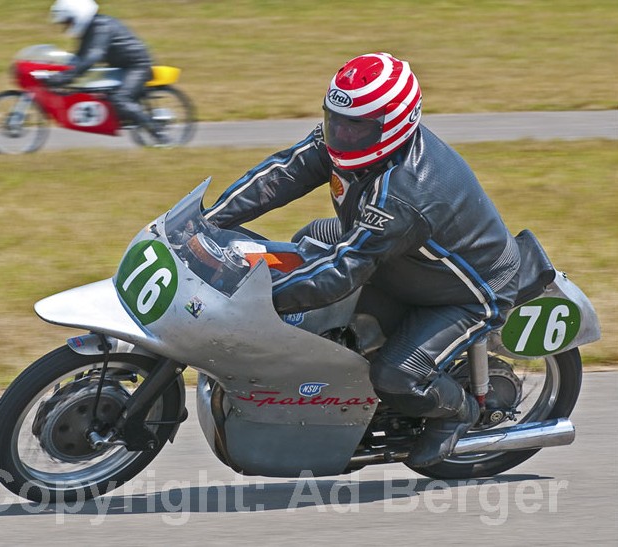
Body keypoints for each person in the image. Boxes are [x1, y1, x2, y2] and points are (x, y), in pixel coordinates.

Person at [204, 52, 521, 467]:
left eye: (357, 127)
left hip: (469, 290)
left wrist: (253, 299)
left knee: (396, 375)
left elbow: (341, 272)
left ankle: (458, 412)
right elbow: (281, 173)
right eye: (334, 120)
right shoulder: (349, 142)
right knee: (309, 241)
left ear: (397, 124)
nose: (341, 134)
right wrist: (208, 222)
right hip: (400, 257)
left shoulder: (407, 192)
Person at [47, 0, 158, 136]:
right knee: (98, 93)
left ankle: (158, 132)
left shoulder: (101, 26)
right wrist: (58, 73)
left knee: (120, 100)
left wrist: (65, 77)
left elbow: (92, 57)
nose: (67, 26)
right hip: (121, 66)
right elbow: (79, 58)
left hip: (136, 65)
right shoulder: (90, 29)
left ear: (77, 15)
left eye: (68, 21)